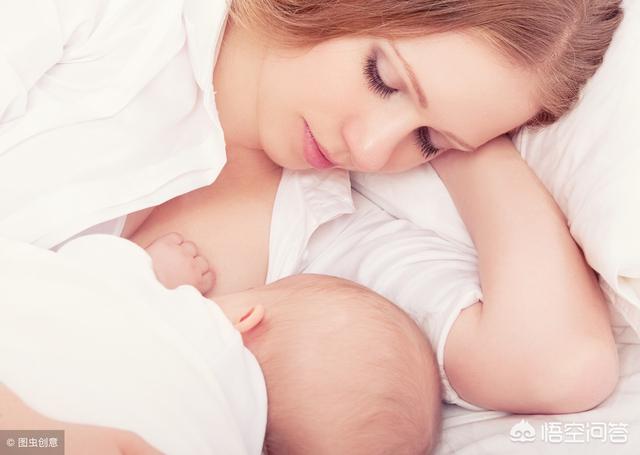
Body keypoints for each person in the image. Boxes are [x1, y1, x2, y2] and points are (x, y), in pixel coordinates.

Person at [0, 0, 623, 449]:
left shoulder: (324, 243)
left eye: (426, 140)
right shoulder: (114, 20)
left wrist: (475, 140)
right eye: (382, 78)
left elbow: (556, 364)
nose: (373, 148)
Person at [0, 234, 442, 454]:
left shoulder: (195, 324)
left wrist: (158, 271)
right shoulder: (219, 440)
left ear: (247, 317)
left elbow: (87, 274)